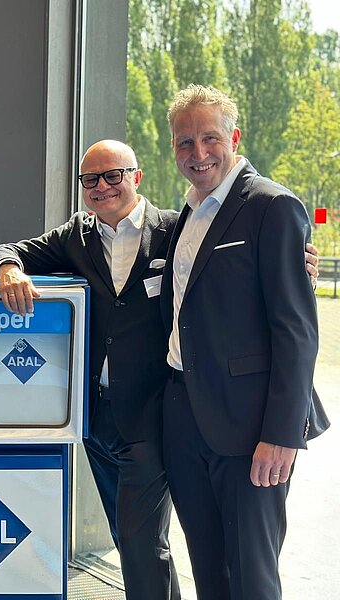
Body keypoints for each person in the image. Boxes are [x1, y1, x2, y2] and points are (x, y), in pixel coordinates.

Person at [0, 139, 180, 600]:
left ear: (137, 177)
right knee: (128, 535)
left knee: (141, 539)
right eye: (90, 179)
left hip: (153, 415)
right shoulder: (77, 235)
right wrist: (9, 269)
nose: (101, 186)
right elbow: (4, 250)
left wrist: (298, 265)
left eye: (113, 175)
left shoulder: (174, 229)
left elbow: (228, 266)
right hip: (98, 419)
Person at [161, 84, 328, 599]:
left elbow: (296, 332)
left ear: (234, 138)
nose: (198, 152)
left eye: (210, 138)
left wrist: (282, 433)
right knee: (209, 571)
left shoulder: (272, 206)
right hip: (185, 417)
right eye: (185, 142)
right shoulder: (189, 212)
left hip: (251, 427)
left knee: (251, 577)